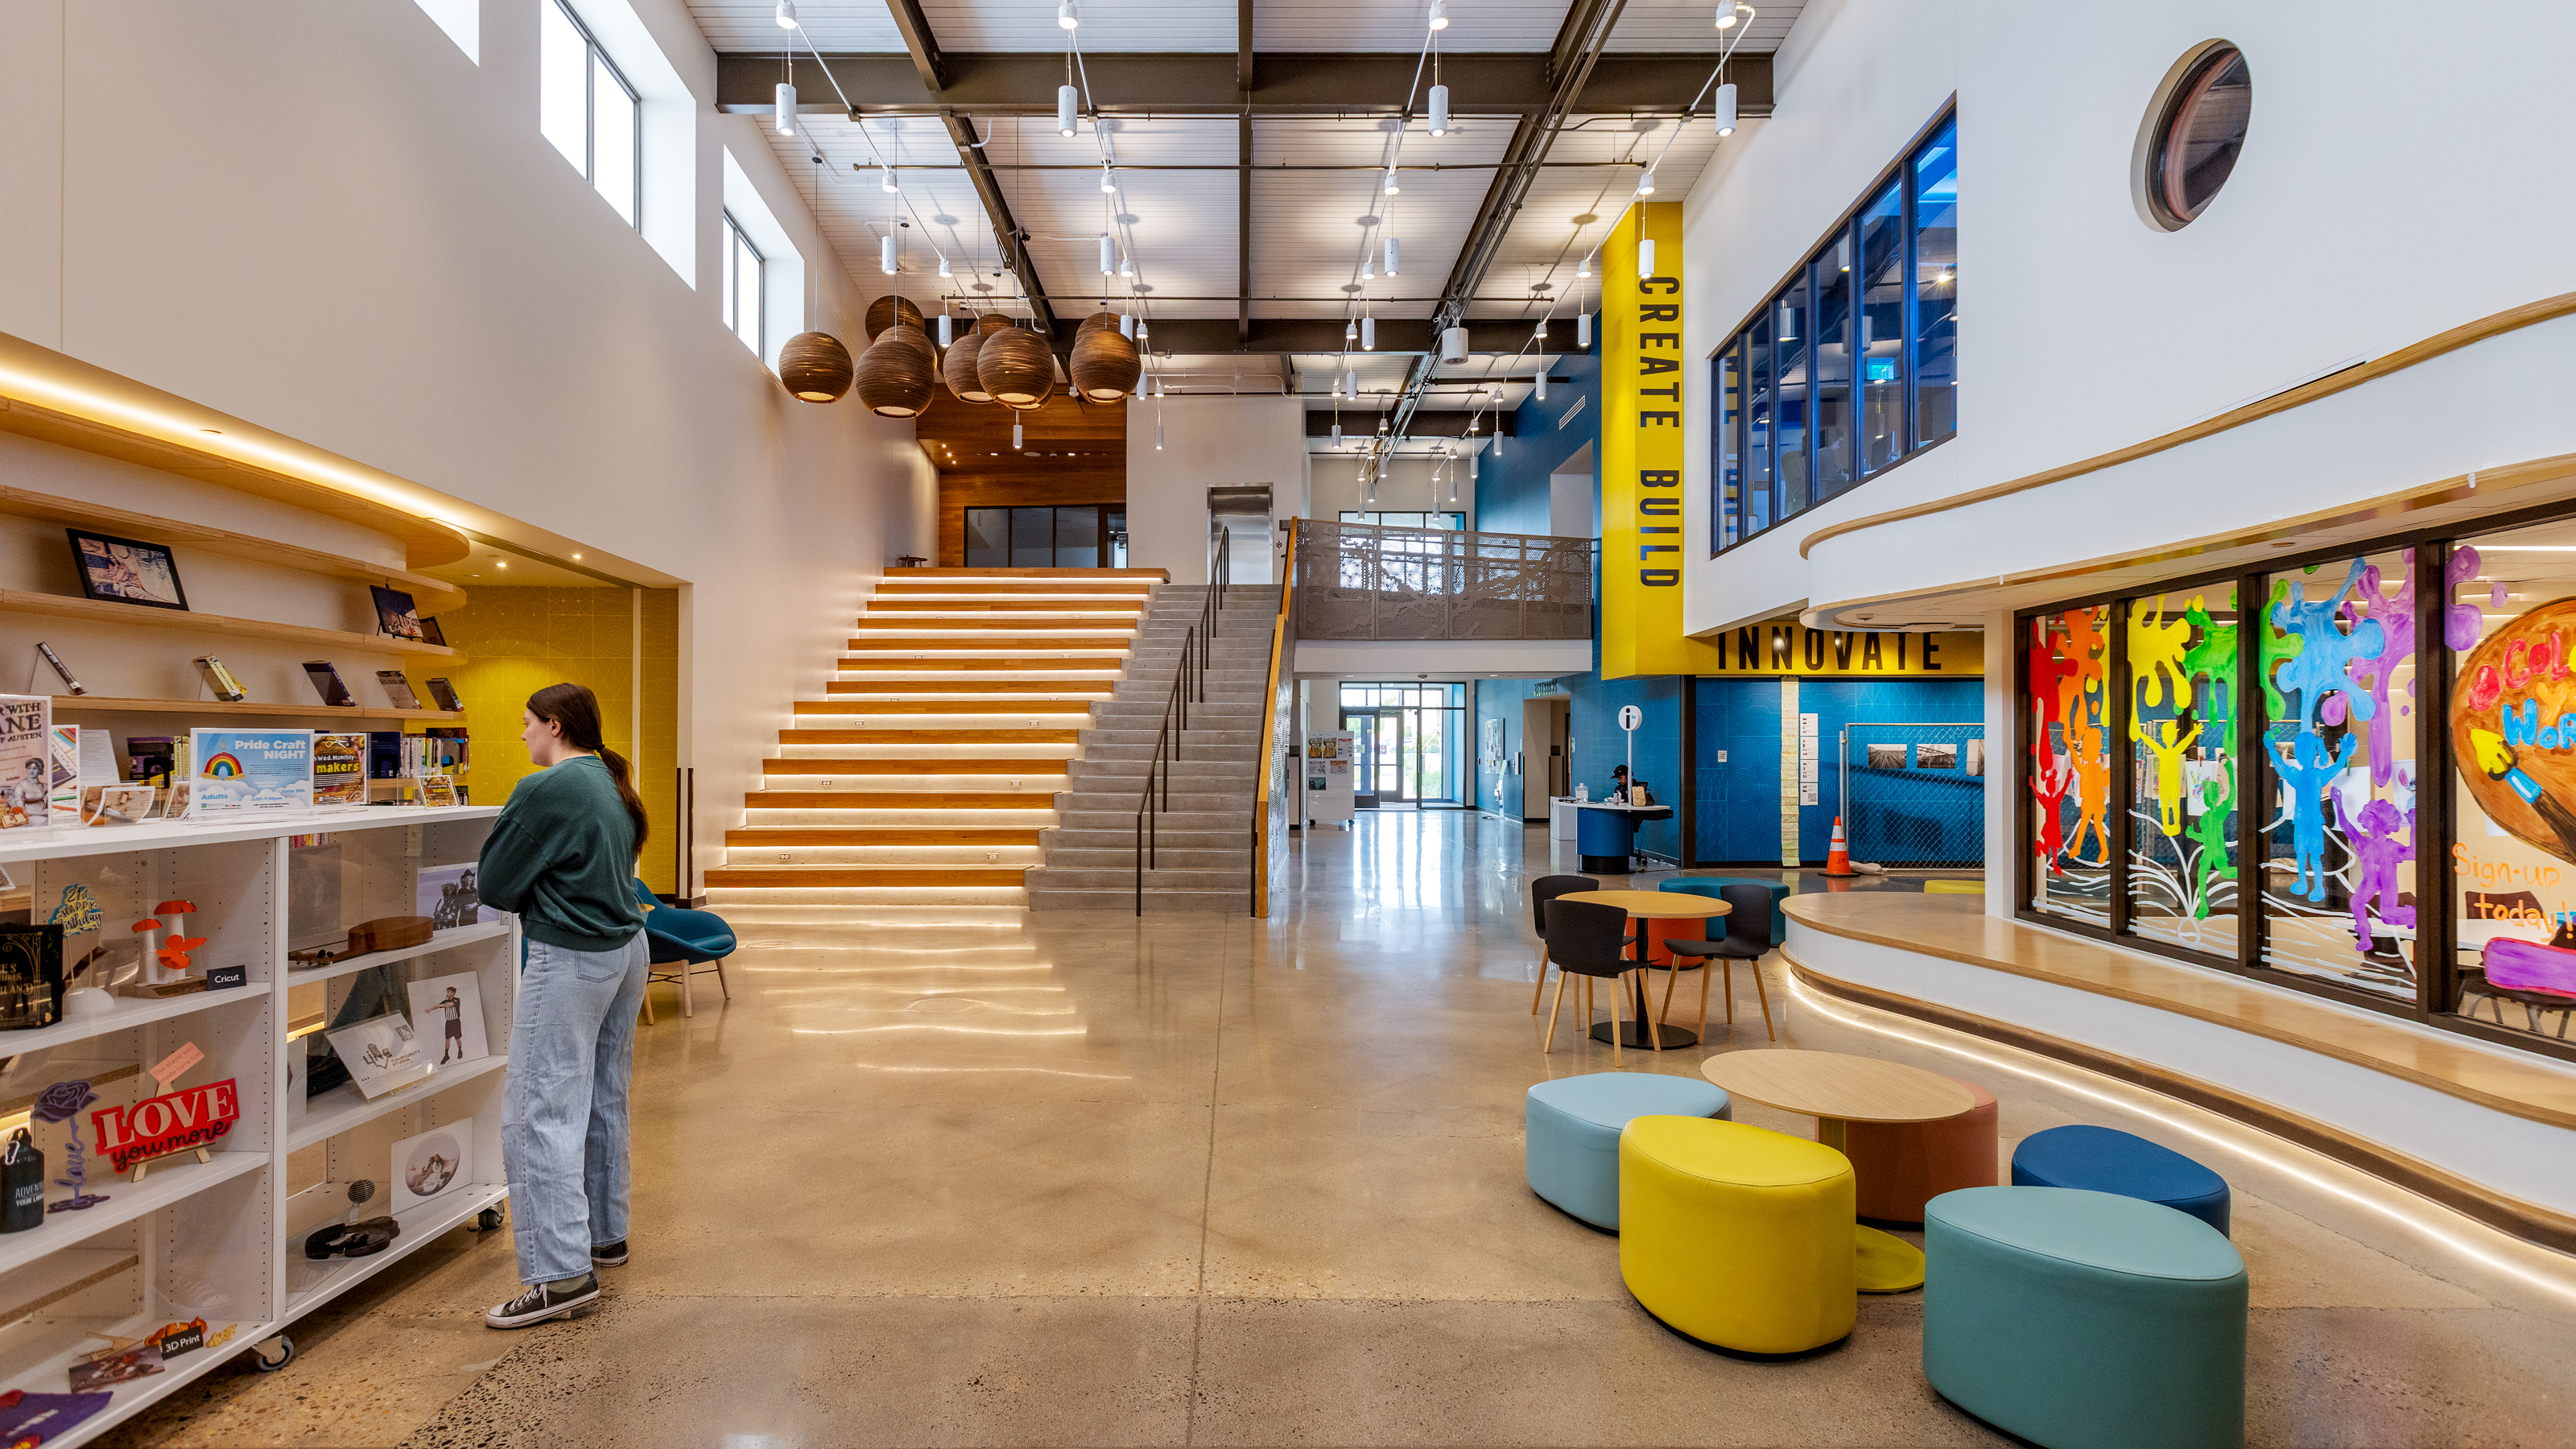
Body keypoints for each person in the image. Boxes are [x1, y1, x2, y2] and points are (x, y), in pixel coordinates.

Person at [476, 683, 649, 1329]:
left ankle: (560, 1275)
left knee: (538, 1113)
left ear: (553, 725)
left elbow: (495, 884)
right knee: (602, 1098)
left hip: (572, 959)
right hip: (626, 951)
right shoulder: (608, 779)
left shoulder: (545, 789)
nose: (521, 736)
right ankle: (603, 1236)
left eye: (526, 724)